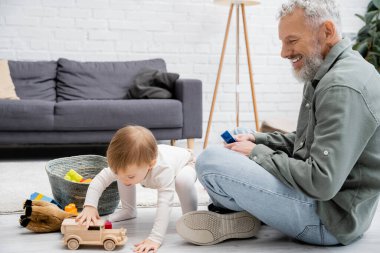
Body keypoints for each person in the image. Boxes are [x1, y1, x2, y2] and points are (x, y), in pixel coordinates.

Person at [176, 0, 380, 247]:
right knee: (241, 137)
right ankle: (247, 216)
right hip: (334, 209)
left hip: (327, 220)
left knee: (209, 161)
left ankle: (241, 214)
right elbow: (308, 141)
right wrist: (257, 139)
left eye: (291, 41)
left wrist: (257, 154)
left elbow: (321, 181)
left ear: (327, 31)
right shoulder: (329, 70)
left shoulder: (341, 87)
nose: (284, 52)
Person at [76, 125, 197, 253]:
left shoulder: (163, 170)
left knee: (182, 181)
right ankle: (129, 210)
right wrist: (90, 206)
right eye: (116, 172)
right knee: (123, 177)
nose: (122, 180)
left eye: (130, 175)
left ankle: (191, 219)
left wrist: (155, 238)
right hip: (149, 163)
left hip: (187, 163)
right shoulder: (125, 167)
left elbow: (165, 204)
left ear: (150, 165)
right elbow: (99, 180)